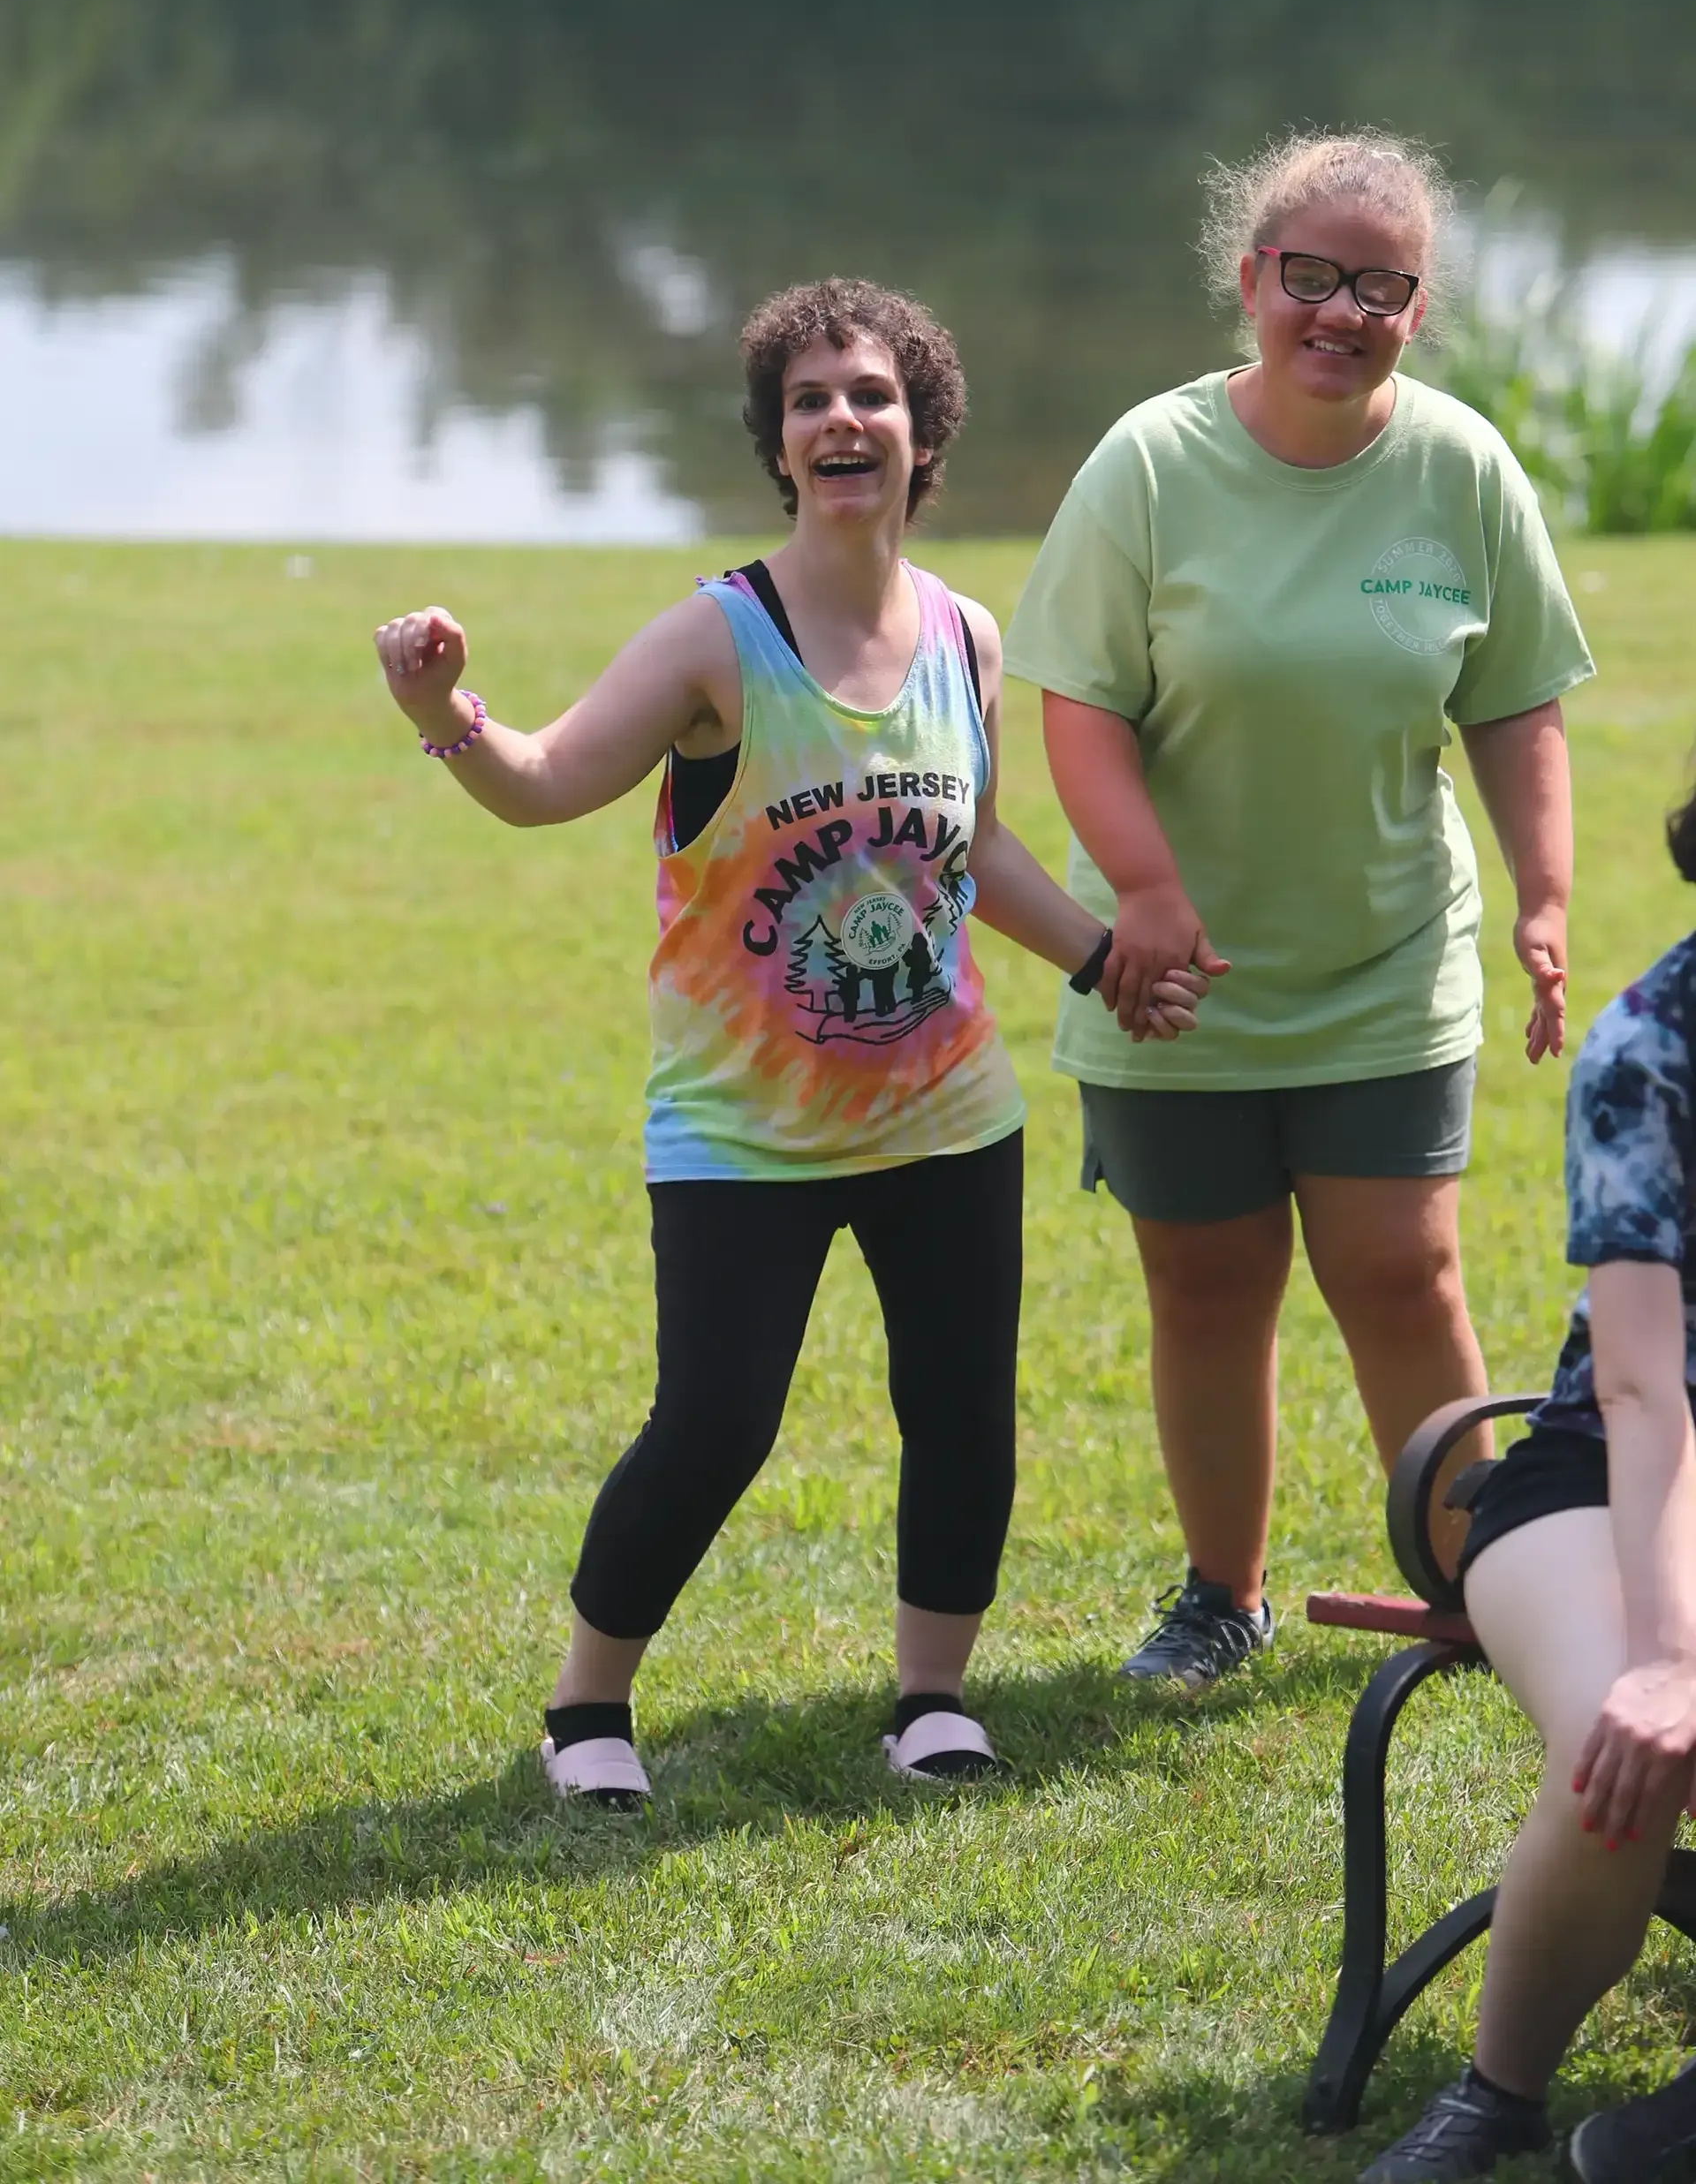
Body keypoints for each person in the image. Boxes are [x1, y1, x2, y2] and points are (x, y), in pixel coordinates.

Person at [374, 276, 1204, 1802]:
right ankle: (587, 1713)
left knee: (959, 1406)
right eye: (812, 399)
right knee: (716, 1423)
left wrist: (1098, 955)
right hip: (742, 1126)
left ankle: (931, 1699)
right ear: (777, 441)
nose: (843, 419)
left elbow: (979, 848)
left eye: (873, 395)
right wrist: (449, 718)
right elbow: (552, 778)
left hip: (947, 1113)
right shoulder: (716, 638)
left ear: (922, 432)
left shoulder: (967, 634)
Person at [1003, 130, 1595, 1688]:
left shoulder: (1461, 466)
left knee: (1407, 1273)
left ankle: (1490, 1585)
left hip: (1386, 956)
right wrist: (1142, 889)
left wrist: (1543, 899)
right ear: (1252, 279)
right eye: (1311, 278)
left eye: (1381, 289)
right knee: (1206, 1285)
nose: (1342, 312)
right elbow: (1079, 705)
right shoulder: (1149, 461)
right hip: (1172, 970)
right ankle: (1224, 1593)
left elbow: (1519, 706)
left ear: (1417, 308)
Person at [1361, 768, 1696, 2184]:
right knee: (1622, 1742)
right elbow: (1637, 1383)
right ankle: (1497, 2093)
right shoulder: (1648, 1047)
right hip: (1603, 1469)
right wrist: (1673, 1651)